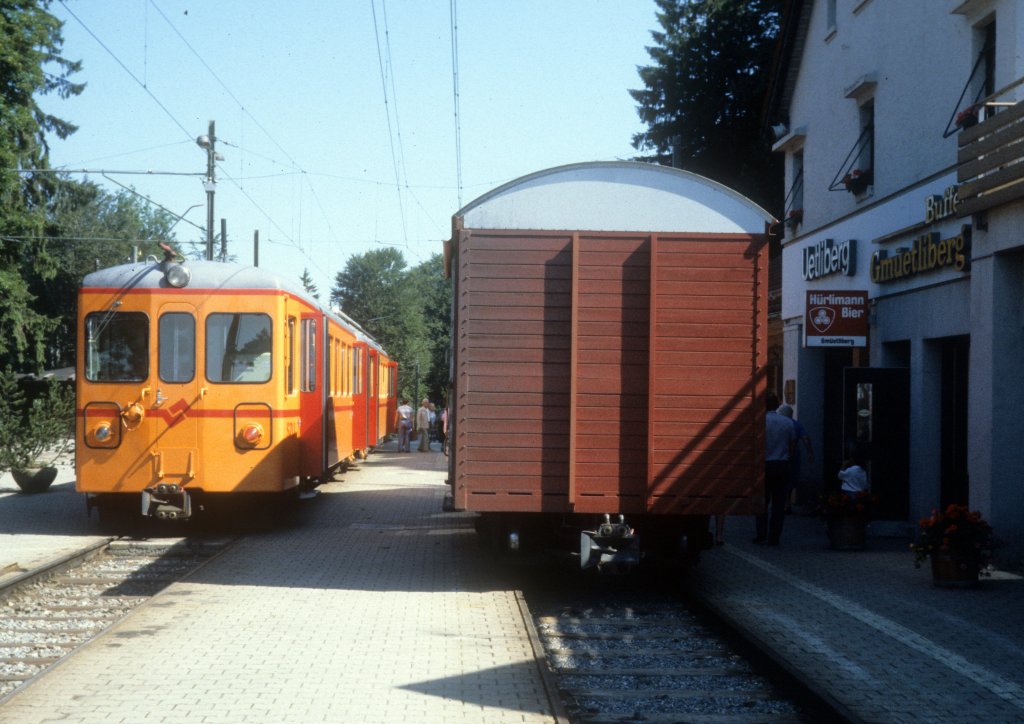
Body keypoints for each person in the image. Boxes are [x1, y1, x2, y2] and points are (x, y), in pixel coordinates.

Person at [755, 391, 796, 546]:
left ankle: (761, 534)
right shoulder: (787, 422)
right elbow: (792, 446)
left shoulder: (759, 421)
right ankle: (774, 537)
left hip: (764, 465)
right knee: (779, 504)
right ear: (778, 405)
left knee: (762, 501)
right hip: (781, 464)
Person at [777, 404, 814, 508]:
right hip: (793, 455)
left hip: (778, 454)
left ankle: (781, 502)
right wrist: (810, 452)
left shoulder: (778, 423)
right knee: (791, 478)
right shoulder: (796, 424)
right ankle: (787, 503)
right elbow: (805, 438)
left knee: (779, 479)